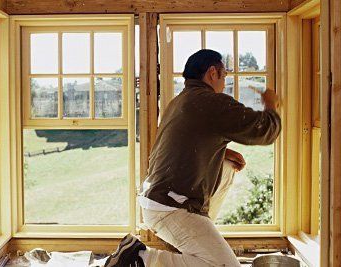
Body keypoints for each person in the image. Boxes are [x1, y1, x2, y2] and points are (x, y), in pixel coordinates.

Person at [104, 49, 281, 267]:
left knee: (226, 165)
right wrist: (271, 104)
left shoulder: (181, 101)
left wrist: (222, 152)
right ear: (212, 73)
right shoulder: (210, 102)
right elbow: (265, 130)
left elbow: (183, 143)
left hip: (158, 199)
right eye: (224, 76)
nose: (224, 83)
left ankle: (181, 245)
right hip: (171, 207)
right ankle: (139, 258)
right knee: (224, 266)